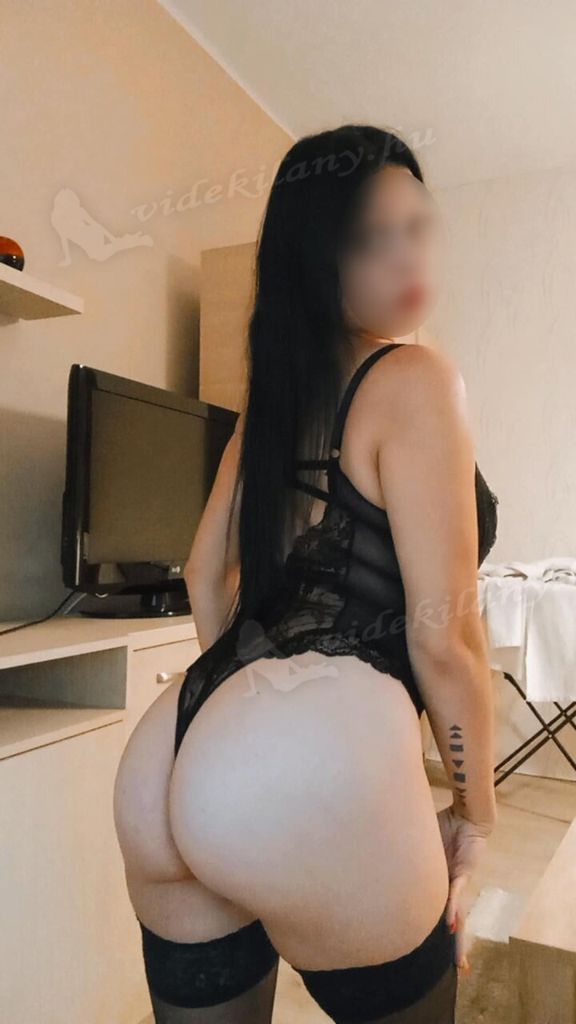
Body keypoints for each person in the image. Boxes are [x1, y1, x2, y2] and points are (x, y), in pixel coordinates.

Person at [113, 125, 498, 1023]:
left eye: (416, 225)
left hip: (166, 754)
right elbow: (444, 636)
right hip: (302, 755)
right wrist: (474, 814)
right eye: (369, 237)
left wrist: (230, 742)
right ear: (317, 259)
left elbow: (204, 574)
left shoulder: (276, 404)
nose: (407, 255)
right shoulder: (418, 378)